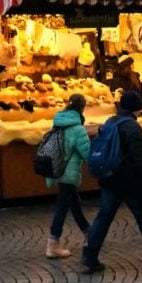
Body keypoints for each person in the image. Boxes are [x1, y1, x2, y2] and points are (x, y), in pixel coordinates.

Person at [81, 90, 142, 274]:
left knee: (104, 217)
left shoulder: (110, 122)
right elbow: (140, 160)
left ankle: (90, 255)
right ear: (136, 109)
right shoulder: (132, 127)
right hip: (131, 181)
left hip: (109, 178)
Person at [43, 93, 91, 259]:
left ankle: (88, 232)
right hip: (69, 174)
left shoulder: (57, 124)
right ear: (82, 108)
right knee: (63, 207)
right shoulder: (78, 129)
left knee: (74, 203)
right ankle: (53, 242)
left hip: (57, 170)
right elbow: (87, 153)